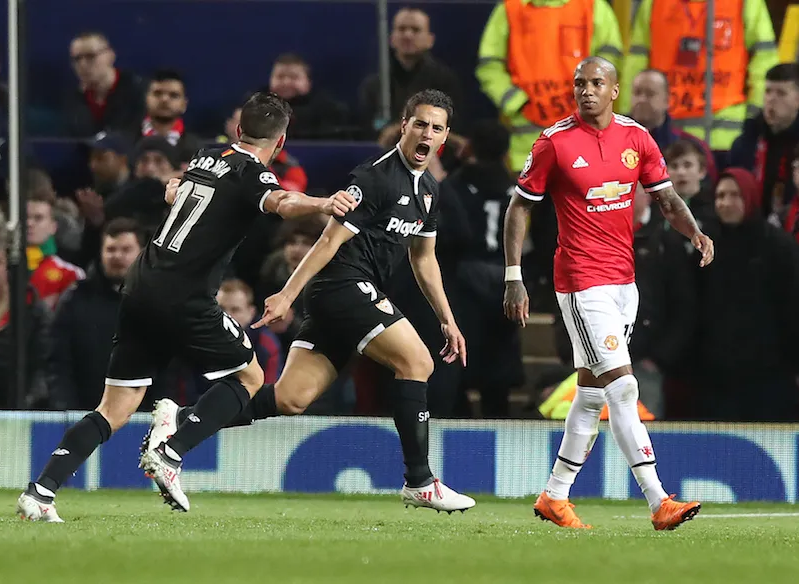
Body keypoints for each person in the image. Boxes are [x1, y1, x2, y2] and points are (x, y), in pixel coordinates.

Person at [16, 92, 358, 521]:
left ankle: (40, 491)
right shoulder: (253, 174)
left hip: (141, 285)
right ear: (281, 141)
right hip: (183, 295)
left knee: (116, 407)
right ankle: (172, 451)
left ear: (237, 131)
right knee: (250, 376)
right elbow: (283, 203)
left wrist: (175, 189)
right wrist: (324, 202)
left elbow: (180, 189)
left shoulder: (205, 156)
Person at [144, 89, 476, 513]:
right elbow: (328, 239)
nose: (426, 133)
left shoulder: (428, 188)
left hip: (348, 297)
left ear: (445, 136)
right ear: (404, 126)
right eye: (420, 124)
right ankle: (420, 481)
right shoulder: (375, 176)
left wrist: (448, 319)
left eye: (436, 127)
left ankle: (180, 430)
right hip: (344, 287)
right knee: (418, 363)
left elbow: (424, 258)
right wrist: (287, 293)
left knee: (290, 399)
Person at [502, 57, 714, 530]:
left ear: (614, 89)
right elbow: (520, 208)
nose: (587, 91)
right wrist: (513, 273)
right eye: (579, 83)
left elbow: (665, 197)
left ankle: (554, 496)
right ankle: (659, 500)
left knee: (592, 394)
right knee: (624, 386)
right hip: (581, 283)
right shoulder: (553, 143)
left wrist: (694, 232)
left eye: (596, 83)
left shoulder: (636, 138)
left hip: (624, 284)